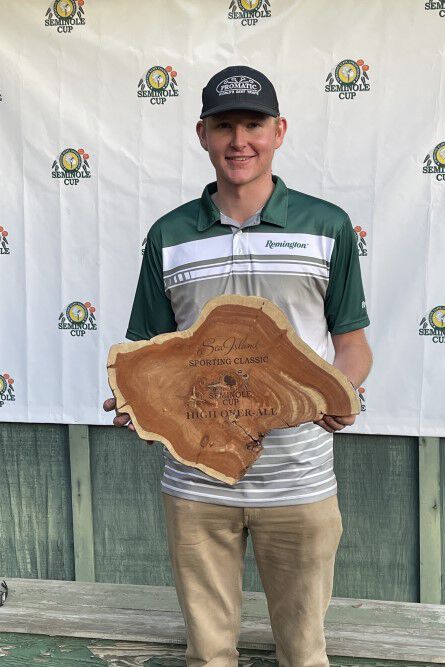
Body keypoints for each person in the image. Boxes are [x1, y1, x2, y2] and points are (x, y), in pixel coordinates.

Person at [104, 65, 372, 667]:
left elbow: (352, 344)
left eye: (253, 124)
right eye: (224, 126)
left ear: (279, 130)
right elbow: (148, 350)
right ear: (202, 134)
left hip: (298, 479)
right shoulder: (168, 236)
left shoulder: (326, 226)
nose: (239, 141)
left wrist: (341, 393)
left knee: (304, 654)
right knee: (208, 656)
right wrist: (133, 400)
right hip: (196, 481)